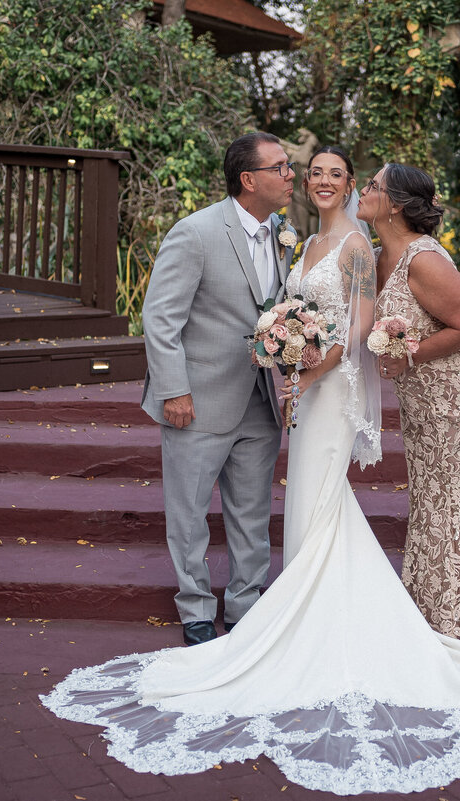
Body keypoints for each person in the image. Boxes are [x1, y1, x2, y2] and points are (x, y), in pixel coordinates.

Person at [43, 148, 460, 795]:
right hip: (303, 391)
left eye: (338, 174)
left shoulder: (360, 249)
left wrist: (307, 370)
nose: (320, 180)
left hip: (332, 392)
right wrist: (285, 350)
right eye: (311, 171)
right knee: (313, 505)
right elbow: (294, 315)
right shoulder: (304, 240)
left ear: (350, 187)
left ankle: (315, 627)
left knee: (316, 499)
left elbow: (357, 326)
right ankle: (298, 614)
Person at [139, 131, 296, 646]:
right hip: (197, 398)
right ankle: (196, 609)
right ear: (250, 180)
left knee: (251, 512)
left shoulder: (283, 234)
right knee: (188, 512)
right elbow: (161, 318)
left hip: (259, 398)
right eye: (281, 167)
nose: (291, 175)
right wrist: (173, 389)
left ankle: (246, 602)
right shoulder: (196, 232)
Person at [364, 162, 460, 659]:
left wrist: (405, 356)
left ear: (395, 204)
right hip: (424, 399)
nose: (363, 191)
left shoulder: (423, 260)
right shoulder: (373, 256)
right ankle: (433, 619)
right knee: (434, 503)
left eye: (372, 186)